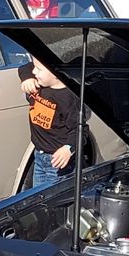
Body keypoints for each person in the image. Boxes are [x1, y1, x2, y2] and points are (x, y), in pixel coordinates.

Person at [19, 57, 82, 189]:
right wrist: (27, 78)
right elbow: (25, 68)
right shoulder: (39, 83)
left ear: (56, 74)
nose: (34, 72)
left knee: (53, 200)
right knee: (38, 195)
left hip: (56, 161)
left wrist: (68, 149)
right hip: (39, 155)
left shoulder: (68, 98)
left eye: (39, 70)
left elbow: (79, 129)